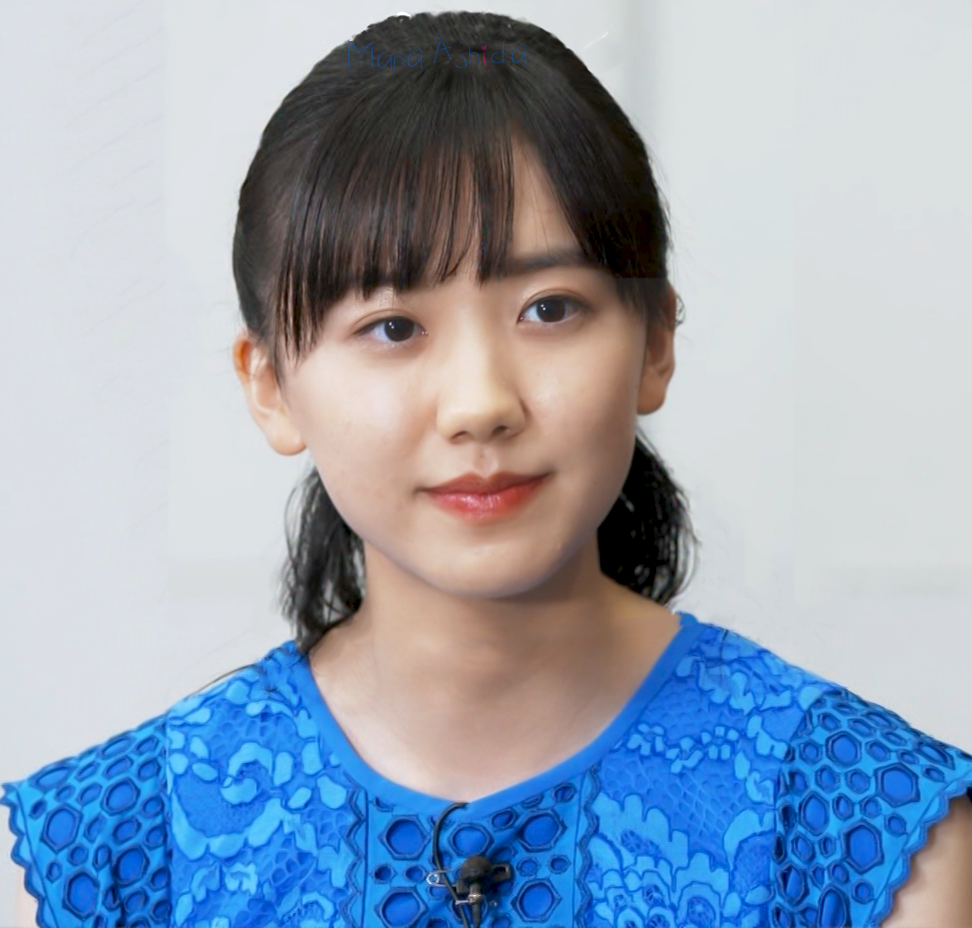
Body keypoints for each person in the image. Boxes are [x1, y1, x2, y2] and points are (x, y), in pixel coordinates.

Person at [4, 10, 972, 928]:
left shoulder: (869, 837)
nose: (480, 403)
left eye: (549, 309)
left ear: (656, 342)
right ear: (271, 385)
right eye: (393, 326)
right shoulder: (103, 860)